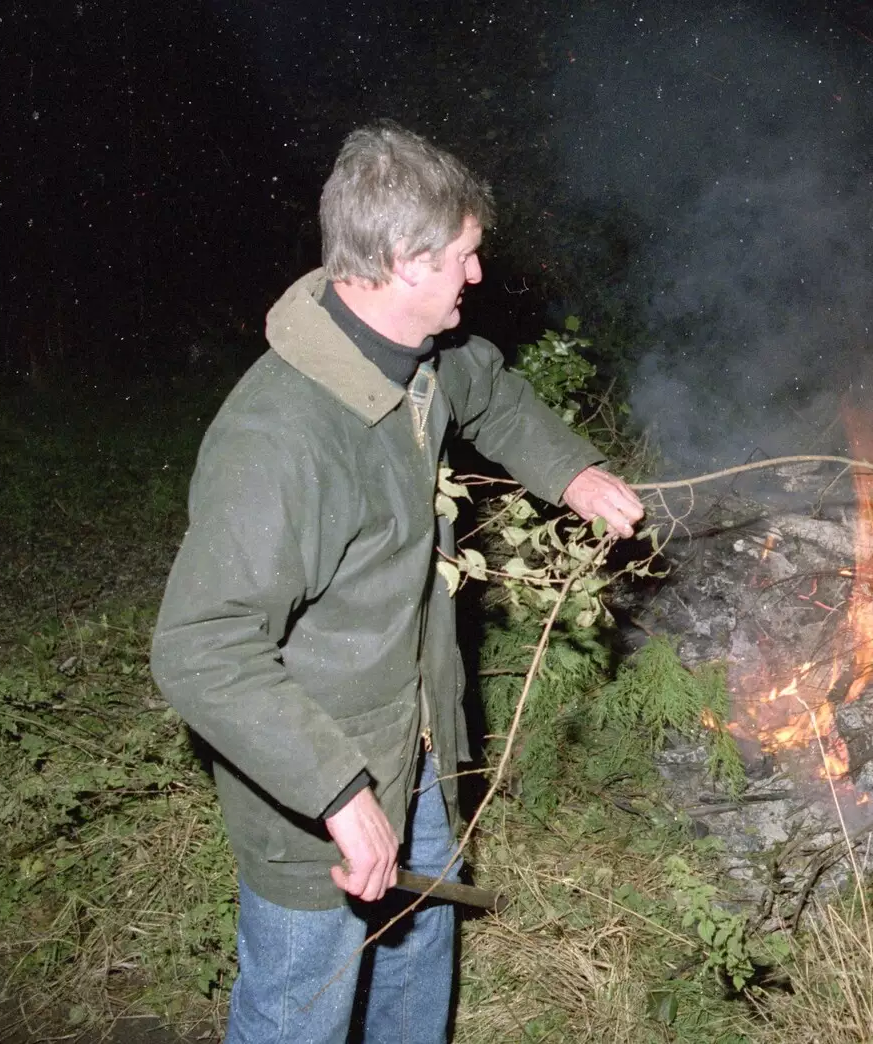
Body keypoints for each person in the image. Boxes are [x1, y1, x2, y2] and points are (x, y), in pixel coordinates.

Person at [150, 121, 644, 1044]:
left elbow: (491, 393)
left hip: (418, 737)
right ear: (404, 261)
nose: (477, 275)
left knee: (416, 959)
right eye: (464, 255)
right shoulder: (281, 440)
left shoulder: (419, 362)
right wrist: (339, 793)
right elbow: (200, 650)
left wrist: (571, 472)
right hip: (316, 795)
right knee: (303, 1006)